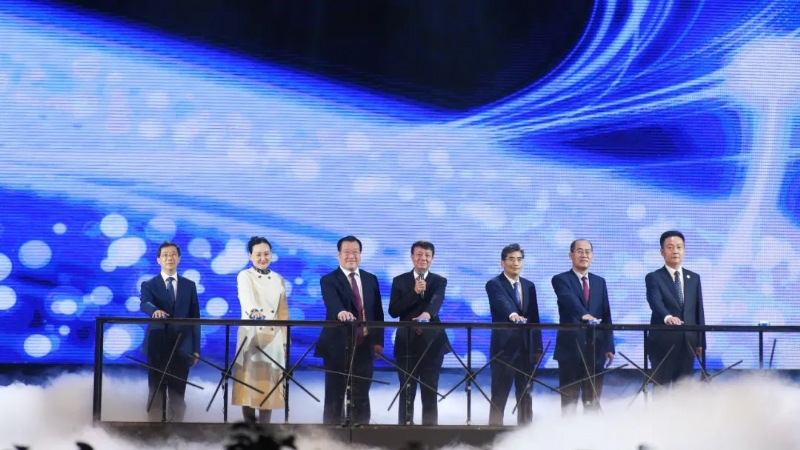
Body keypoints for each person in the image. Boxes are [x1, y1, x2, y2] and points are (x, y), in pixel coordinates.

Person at [315, 236, 385, 425]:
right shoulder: (329, 280)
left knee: (361, 393)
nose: (351, 256)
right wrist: (341, 312)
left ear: (361, 254)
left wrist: (378, 341)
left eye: (355, 252)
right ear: (339, 255)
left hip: (365, 345)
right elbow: (332, 303)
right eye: (346, 252)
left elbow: (378, 312)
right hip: (337, 347)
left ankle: (361, 432)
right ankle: (332, 434)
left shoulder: (371, 279)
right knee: (335, 394)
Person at [388, 241, 449, 425]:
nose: (423, 258)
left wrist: (427, 314)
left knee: (430, 389)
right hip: (406, 343)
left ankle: (430, 432)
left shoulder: (439, 281)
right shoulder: (399, 281)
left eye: (427, 255)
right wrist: (414, 292)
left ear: (432, 258)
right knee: (407, 389)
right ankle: (404, 430)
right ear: (412, 257)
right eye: (419, 254)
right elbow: (393, 311)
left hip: (433, 343)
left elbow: (436, 302)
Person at [552, 239, 615, 414]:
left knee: (593, 401)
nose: (584, 255)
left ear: (592, 256)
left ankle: (592, 431)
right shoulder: (560, 279)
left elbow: (606, 314)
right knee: (569, 402)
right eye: (579, 251)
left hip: (595, 350)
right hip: (570, 349)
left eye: (588, 252)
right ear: (571, 255)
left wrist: (609, 346)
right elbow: (567, 299)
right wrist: (583, 314)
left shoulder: (600, 282)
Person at [139, 241, 200, 422]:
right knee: (156, 391)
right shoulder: (149, 284)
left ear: (179, 258)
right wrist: (154, 311)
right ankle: (153, 431)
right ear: (158, 259)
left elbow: (195, 318)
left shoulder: (189, 285)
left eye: (173, 254)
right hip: (157, 345)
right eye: (165, 255)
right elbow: (145, 303)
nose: (169, 258)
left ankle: (176, 432)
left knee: (178, 394)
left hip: (182, 347)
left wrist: (195, 348)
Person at [232, 236, 289, 424]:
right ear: (250, 256)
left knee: (268, 388)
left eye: (266, 254)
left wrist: (285, 342)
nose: (263, 258)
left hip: (273, 338)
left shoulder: (279, 279)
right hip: (251, 336)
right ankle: (249, 429)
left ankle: (264, 430)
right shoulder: (244, 276)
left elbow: (282, 312)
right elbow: (246, 297)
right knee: (248, 387)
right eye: (258, 254)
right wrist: (254, 311)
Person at [485, 243, 542, 426]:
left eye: (519, 259)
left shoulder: (529, 286)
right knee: (499, 395)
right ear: (502, 263)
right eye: (511, 259)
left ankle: (525, 432)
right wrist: (513, 315)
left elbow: (534, 318)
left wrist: (538, 347)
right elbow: (501, 302)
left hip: (526, 350)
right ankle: (493, 433)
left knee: (525, 395)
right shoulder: (494, 284)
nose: (515, 263)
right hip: (503, 350)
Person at [645, 230, 706, 388]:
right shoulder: (654, 277)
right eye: (670, 247)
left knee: (684, 390)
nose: (675, 251)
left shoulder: (694, 278)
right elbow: (655, 302)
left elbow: (698, 311)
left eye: (679, 247)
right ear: (662, 252)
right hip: (663, 344)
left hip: (688, 345)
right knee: (661, 389)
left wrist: (701, 342)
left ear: (684, 250)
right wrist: (667, 317)